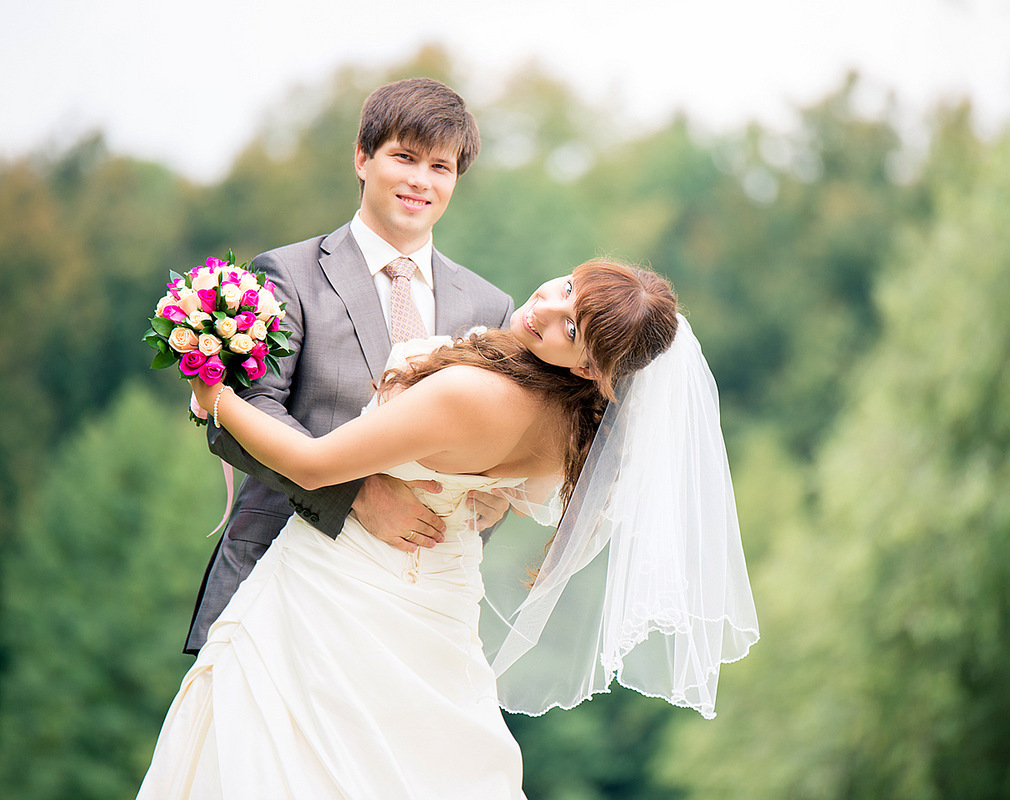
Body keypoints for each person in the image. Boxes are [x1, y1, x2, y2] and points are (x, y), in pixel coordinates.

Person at [137, 259, 759, 799]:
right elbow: (503, 494)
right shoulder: (572, 425)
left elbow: (313, 463)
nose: (545, 307)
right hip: (436, 607)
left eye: (572, 330)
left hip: (340, 593)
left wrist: (210, 393)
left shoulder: (473, 394)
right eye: (567, 288)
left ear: (596, 370)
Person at [185, 77, 514, 655]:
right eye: (404, 157)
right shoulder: (288, 274)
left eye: (441, 166)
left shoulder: (491, 308)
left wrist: (496, 498)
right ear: (363, 158)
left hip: (420, 604)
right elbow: (244, 410)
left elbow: (496, 447)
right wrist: (357, 492)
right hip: (286, 581)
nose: (420, 179)